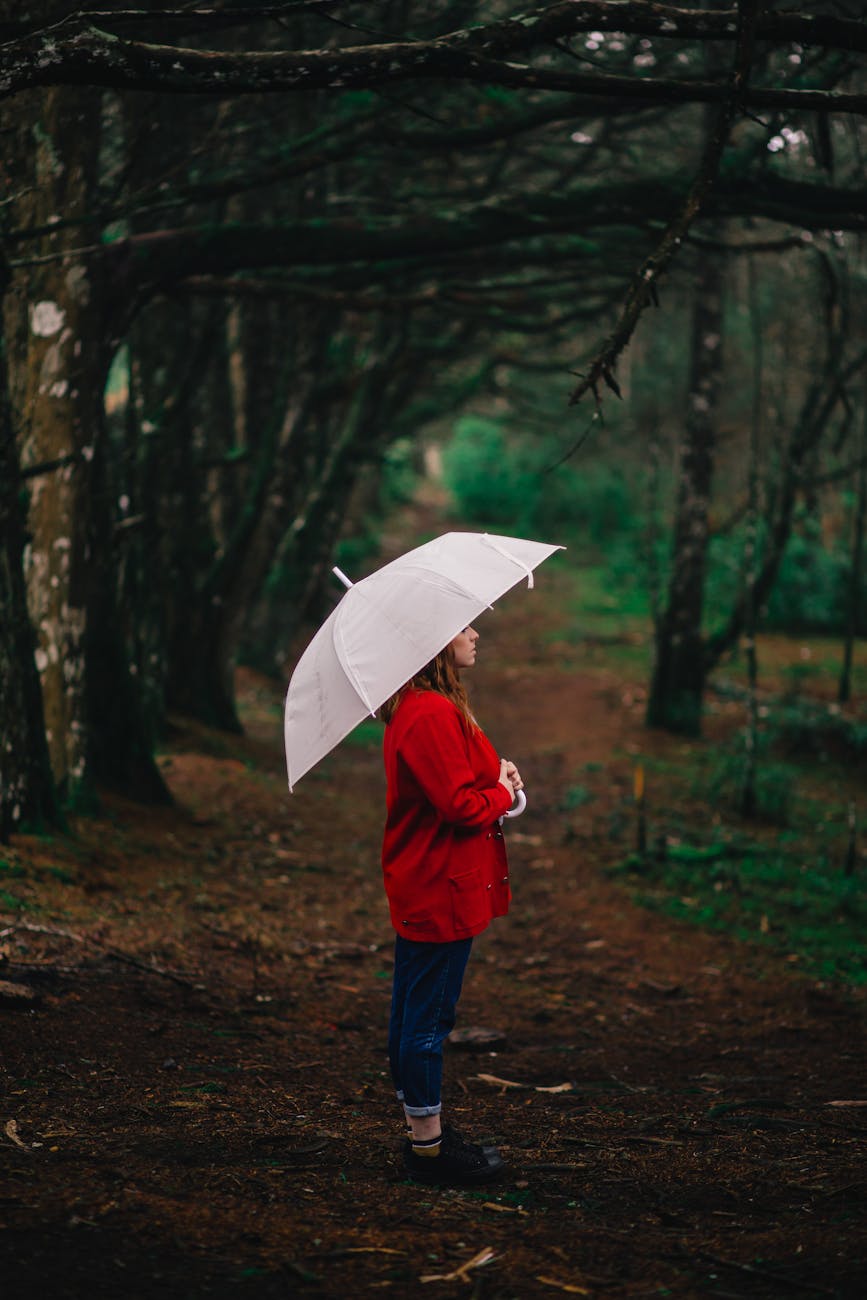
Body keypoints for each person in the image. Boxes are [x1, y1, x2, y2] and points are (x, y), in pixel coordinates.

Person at [379, 623, 522, 1185]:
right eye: (462, 625)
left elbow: (465, 786)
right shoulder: (430, 713)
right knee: (427, 1019)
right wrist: (502, 795)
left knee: (414, 1012)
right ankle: (428, 1147)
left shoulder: (425, 707)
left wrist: (501, 784)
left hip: (432, 881)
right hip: (439, 887)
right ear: (435, 642)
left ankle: (424, 1129)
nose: (476, 631)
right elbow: (461, 805)